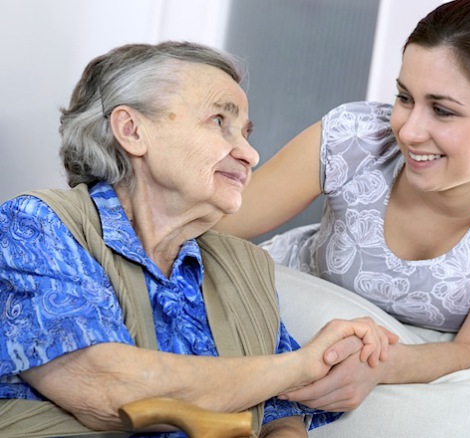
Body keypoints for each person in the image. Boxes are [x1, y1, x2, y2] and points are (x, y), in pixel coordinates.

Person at [215, 0, 470, 435]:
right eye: (404, 97)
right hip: (282, 320)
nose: (409, 130)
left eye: (443, 110)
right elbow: (213, 223)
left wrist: (379, 365)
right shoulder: (355, 136)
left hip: (394, 360)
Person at [0, 41, 396, 438]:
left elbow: (279, 411)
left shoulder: (245, 266)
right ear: (132, 130)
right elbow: (109, 389)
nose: (250, 154)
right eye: (219, 121)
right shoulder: (38, 225)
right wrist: (299, 365)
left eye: (245, 132)